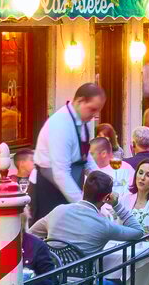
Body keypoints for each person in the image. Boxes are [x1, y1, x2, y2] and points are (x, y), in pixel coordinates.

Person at [32, 82, 105, 222]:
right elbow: (60, 173)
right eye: (92, 109)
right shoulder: (61, 125)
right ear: (79, 101)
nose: (95, 115)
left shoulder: (82, 121)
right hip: (50, 190)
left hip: (69, 182)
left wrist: (101, 180)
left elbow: (85, 156)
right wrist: (84, 207)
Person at [32, 170, 145, 254]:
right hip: (85, 284)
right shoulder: (104, 225)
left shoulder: (58, 210)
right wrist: (117, 205)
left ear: (83, 188)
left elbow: (31, 234)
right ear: (107, 197)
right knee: (119, 284)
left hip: (54, 280)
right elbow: (138, 231)